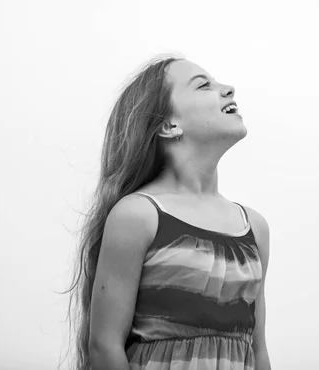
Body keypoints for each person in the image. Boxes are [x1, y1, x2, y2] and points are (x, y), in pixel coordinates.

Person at [63, 56, 271, 370]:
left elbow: (257, 351)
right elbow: (105, 347)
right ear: (168, 125)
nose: (228, 89)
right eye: (204, 85)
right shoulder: (138, 215)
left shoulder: (253, 227)